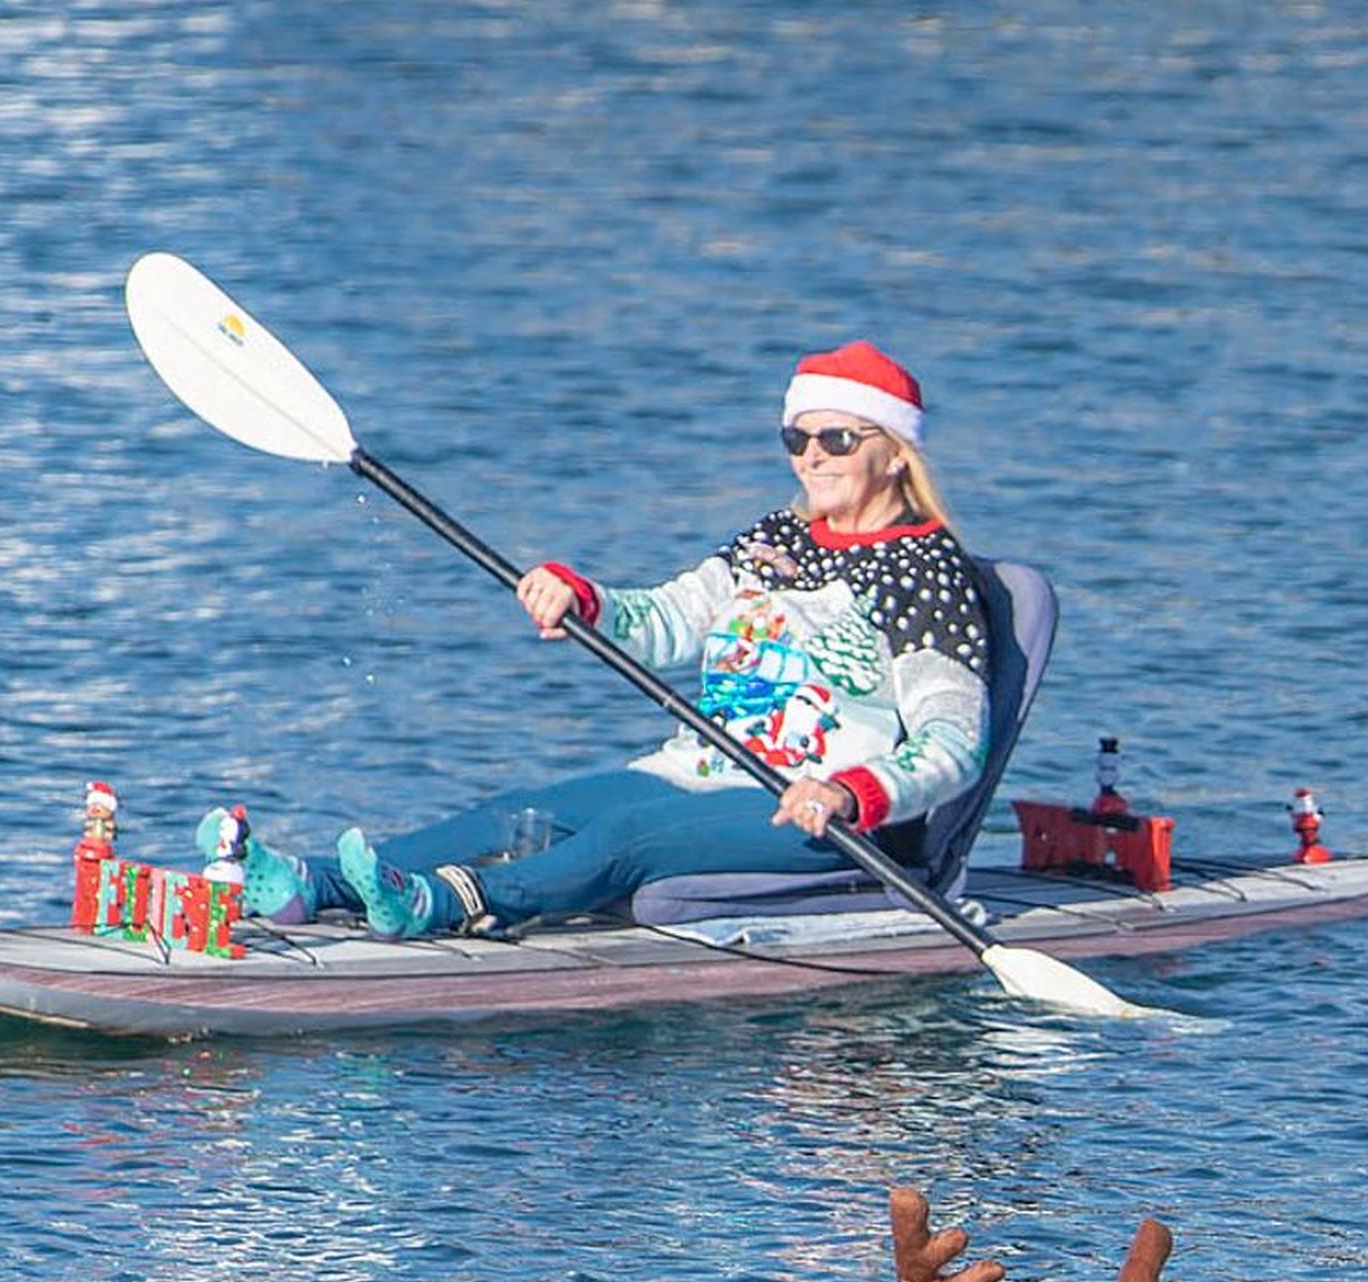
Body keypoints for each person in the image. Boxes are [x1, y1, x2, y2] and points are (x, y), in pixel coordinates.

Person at [214, 342, 994, 938]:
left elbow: (954, 743)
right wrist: (584, 600)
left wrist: (847, 791)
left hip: (822, 818)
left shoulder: (927, 575)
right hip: (696, 773)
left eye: (836, 438)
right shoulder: (777, 535)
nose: (812, 457)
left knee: (625, 837)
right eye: (797, 438)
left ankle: (441, 905)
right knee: (516, 814)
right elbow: (670, 618)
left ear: (895, 452)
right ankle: (311, 885)